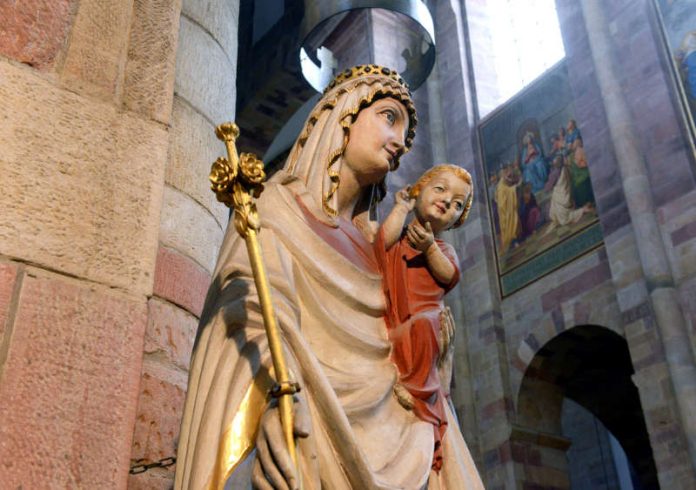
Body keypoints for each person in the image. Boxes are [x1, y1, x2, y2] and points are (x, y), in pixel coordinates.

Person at [174, 65, 484, 490]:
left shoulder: (383, 252)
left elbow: (408, 358)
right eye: (389, 117)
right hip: (301, 431)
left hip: (406, 445)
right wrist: (272, 400)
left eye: (405, 134)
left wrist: (437, 365)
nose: (398, 144)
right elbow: (251, 313)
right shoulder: (275, 210)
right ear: (344, 113)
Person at [374, 164, 473, 474]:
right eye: (440, 189)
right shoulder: (399, 239)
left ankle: (420, 391)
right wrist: (400, 208)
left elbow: (449, 274)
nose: (447, 201)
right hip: (392, 323)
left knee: (428, 324)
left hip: (422, 324)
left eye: (458, 204)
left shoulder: (443, 249)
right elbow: (380, 244)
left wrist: (429, 248)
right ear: (418, 190)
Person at [495, 164, 522, 255]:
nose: (507, 174)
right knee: (510, 223)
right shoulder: (501, 185)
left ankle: (517, 238)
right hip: (505, 211)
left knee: (514, 220)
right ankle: (513, 241)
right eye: (505, 172)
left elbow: (510, 185)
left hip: (509, 208)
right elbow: (504, 194)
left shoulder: (505, 181)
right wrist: (515, 187)